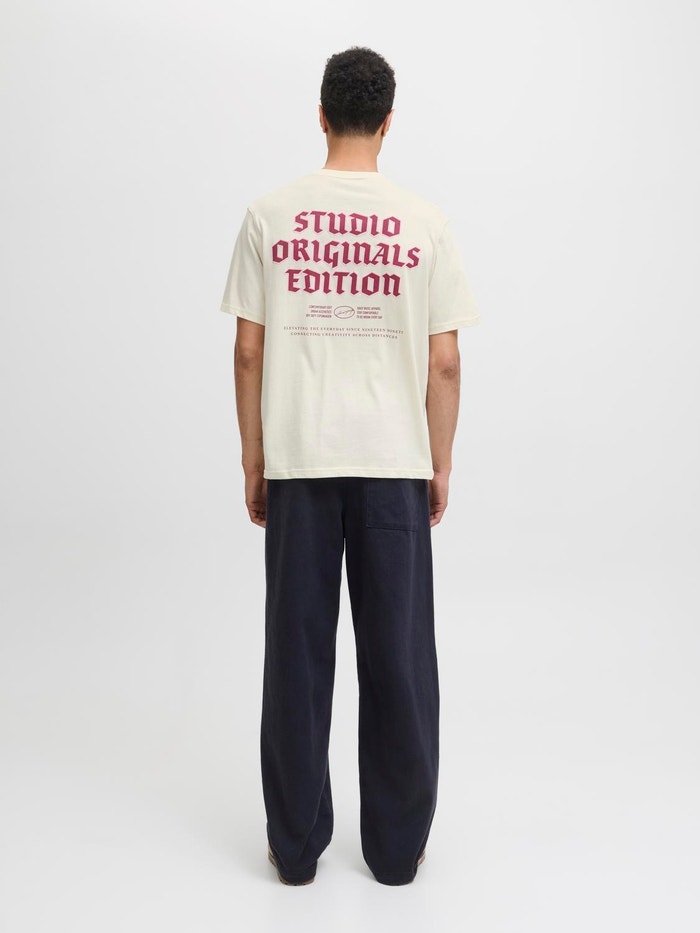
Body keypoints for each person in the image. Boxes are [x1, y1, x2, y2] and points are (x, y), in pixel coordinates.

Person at [219, 46, 481, 886]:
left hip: (299, 459)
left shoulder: (269, 215)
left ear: (322, 115)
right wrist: (440, 461)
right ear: (389, 121)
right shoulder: (424, 222)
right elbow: (445, 363)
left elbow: (249, 352)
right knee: (398, 656)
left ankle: (296, 848)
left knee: (297, 655)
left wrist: (255, 457)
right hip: (393, 461)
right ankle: (397, 851)